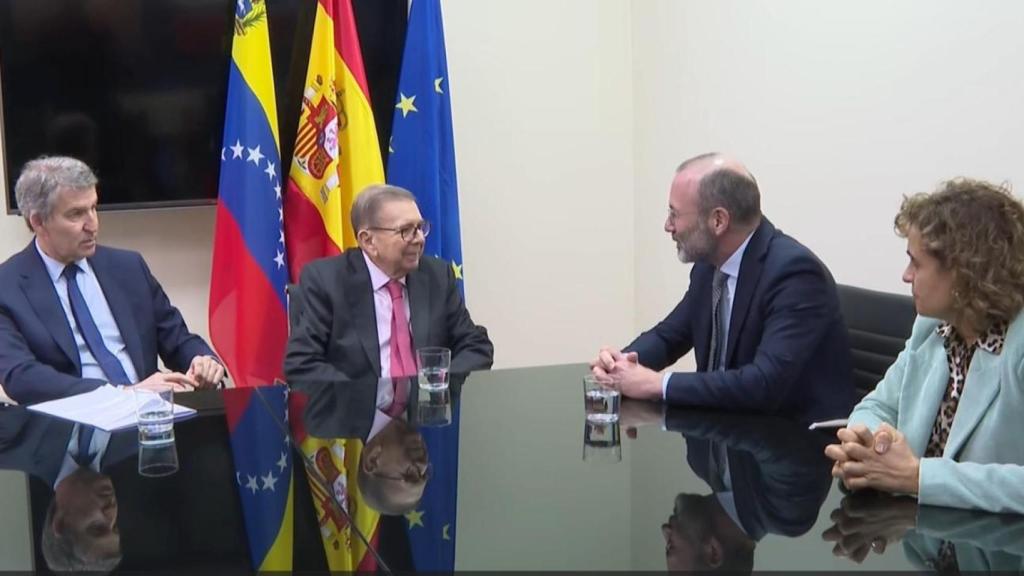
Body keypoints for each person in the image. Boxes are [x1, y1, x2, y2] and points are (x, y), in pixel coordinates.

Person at [591, 153, 853, 421]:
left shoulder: (794, 274)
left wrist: (656, 384)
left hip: (795, 443)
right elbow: (669, 336)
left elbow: (764, 383)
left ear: (718, 221)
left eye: (675, 213)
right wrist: (621, 366)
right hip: (729, 433)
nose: (668, 226)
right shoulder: (710, 266)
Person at [826, 178, 1024, 514]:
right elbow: (875, 407)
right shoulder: (934, 327)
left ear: (965, 273)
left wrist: (918, 478)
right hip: (925, 536)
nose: (906, 275)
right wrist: (871, 448)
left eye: (916, 263)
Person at [0, 156, 223, 404]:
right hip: (73, 427)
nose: (93, 224)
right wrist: (123, 393)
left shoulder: (128, 267)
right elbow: (21, 378)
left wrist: (201, 360)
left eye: (93, 208)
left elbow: (177, 338)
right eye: (76, 214)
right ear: (38, 222)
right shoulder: (7, 287)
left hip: (149, 418)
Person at [284, 184, 493, 383]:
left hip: (425, 414)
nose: (419, 238)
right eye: (406, 230)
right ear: (368, 241)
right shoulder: (326, 280)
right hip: (353, 416)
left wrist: (438, 383)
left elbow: (475, 345)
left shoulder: (436, 276)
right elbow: (302, 362)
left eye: (420, 227)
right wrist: (364, 398)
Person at [659, 407, 833, 573]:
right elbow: (769, 432)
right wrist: (663, 417)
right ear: (713, 552)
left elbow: (690, 391)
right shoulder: (786, 513)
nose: (665, 530)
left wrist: (642, 404)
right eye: (670, 547)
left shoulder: (699, 461)